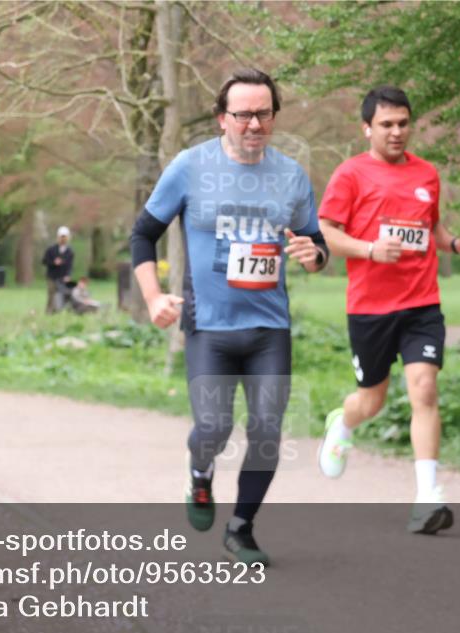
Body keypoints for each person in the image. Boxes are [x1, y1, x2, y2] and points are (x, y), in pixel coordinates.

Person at [130, 68, 328, 565]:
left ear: (274, 117)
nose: (254, 123)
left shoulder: (290, 175)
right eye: (243, 114)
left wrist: (314, 255)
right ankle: (200, 473)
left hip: (268, 330)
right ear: (223, 119)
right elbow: (141, 235)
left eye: (263, 113)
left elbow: (317, 244)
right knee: (214, 428)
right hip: (209, 326)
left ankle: (241, 528)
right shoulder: (189, 167)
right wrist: (154, 297)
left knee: (266, 431)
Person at [316, 85, 460, 534]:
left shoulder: (427, 174)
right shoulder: (350, 175)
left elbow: (428, 227)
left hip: (421, 303)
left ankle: (427, 497)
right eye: (387, 125)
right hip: (370, 307)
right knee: (370, 400)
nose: (396, 132)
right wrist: (370, 249)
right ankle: (343, 422)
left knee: (424, 389)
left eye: (403, 123)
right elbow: (328, 233)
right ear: (367, 128)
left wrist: (454, 243)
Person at [42, 226, 74, 313]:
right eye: (61, 237)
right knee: (51, 294)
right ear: (58, 237)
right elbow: (44, 261)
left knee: (61, 295)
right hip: (52, 276)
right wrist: (53, 262)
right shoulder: (51, 250)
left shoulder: (70, 252)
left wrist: (68, 275)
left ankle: (58, 311)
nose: (63, 239)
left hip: (63, 277)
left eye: (65, 237)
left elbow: (70, 265)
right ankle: (49, 312)